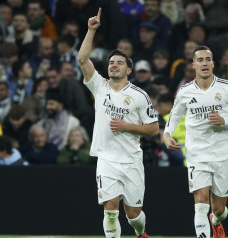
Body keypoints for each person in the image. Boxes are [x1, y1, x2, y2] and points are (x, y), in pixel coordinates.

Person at [78, 8, 159, 238]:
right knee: (110, 209)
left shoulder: (139, 95)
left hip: (131, 160)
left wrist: (127, 126)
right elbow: (83, 59)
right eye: (111, 62)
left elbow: (153, 128)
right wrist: (91, 30)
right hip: (106, 158)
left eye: (119, 63)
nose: (113, 65)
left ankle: (141, 234)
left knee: (133, 215)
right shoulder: (99, 86)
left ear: (129, 69)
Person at [163, 46, 228, 238]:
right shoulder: (184, 91)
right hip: (197, 154)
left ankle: (216, 221)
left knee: (218, 210)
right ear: (193, 65)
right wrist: (167, 134)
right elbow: (174, 116)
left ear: (213, 64)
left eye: (207, 59)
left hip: (222, 154)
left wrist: (224, 121)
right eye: (200, 60)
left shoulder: (227, 88)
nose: (204, 63)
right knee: (200, 205)